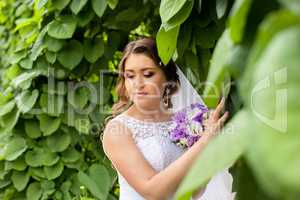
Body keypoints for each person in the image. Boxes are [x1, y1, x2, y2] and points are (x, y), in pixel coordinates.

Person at [101, 37, 230, 200]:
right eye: (130, 76)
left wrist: (211, 146)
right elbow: (152, 191)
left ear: (167, 78)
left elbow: (196, 190)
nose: (138, 84)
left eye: (148, 74)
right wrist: (204, 142)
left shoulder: (184, 122)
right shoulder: (118, 130)